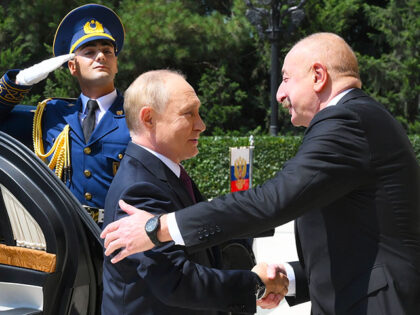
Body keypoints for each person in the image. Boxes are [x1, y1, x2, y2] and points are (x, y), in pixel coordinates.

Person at [101, 32, 420, 315]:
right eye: (189, 114)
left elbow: (272, 201)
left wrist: (159, 227)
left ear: (319, 76)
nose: (280, 94)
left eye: (286, 78)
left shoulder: (346, 122)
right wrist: (283, 280)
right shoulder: (358, 119)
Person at [101, 69, 288, 314]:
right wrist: (255, 285)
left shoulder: (163, 173)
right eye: (188, 114)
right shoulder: (140, 189)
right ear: (148, 119)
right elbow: (177, 281)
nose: (201, 125)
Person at [0, 4, 130, 223]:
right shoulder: (51, 115)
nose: (100, 56)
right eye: (89, 52)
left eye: (107, 51)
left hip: (121, 234)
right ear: (72, 67)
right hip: (67, 236)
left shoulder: (139, 115)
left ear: (116, 64)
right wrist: (19, 81)